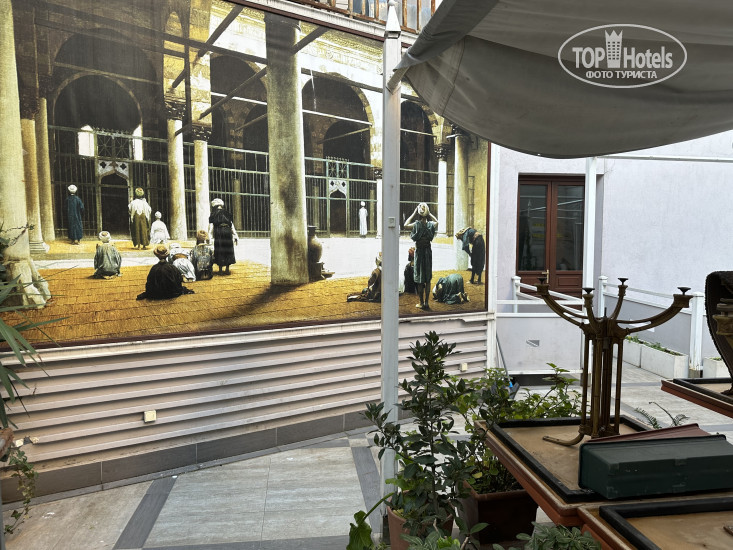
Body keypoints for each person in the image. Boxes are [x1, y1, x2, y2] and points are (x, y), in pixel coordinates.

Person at [404, 203, 438, 310]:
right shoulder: (430, 225)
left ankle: (421, 302)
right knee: (427, 278)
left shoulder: (416, 224)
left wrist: (414, 213)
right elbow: (437, 222)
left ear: (418, 214)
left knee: (419, 278)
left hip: (419, 253)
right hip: (428, 252)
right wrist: (429, 213)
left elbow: (405, 224)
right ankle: (427, 302)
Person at [208, 198, 238, 274]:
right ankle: (227, 269)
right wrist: (235, 235)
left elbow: (211, 227)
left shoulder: (213, 214)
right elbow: (231, 225)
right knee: (228, 249)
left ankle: (220, 270)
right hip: (228, 232)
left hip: (219, 232)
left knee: (220, 249)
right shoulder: (227, 213)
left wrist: (209, 237)